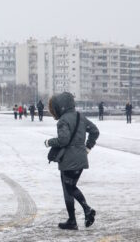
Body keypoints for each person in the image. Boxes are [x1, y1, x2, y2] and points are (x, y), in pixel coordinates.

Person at [44, 92, 99, 230]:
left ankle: (86, 209)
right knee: (68, 187)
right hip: (80, 158)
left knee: (69, 187)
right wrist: (88, 147)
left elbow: (63, 140)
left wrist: (48, 142)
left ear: (61, 106)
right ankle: (72, 220)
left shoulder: (63, 120)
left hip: (68, 160)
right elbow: (95, 131)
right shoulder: (81, 117)